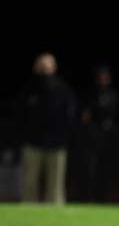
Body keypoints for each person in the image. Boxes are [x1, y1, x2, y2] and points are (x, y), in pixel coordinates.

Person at [17, 52, 76, 204]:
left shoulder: (63, 89)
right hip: (32, 143)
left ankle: (55, 218)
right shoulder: (28, 90)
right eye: (41, 66)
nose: (44, 70)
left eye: (47, 67)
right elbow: (20, 116)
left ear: (54, 68)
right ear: (35, 68)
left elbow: (70, 117)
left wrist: (65, 138)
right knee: (29, 184)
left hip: (57, 144)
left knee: (55, 188)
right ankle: (27, 215)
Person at [78, 65, 119, 203]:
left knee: (105, 169)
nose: (103, 80)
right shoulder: (91, 95)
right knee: (90, 168)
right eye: (101, 77)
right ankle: (87, 197)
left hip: (108, 137)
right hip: (92, 136)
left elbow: (116, 115)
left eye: (106, 77)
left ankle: (101, 198)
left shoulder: (113, 95)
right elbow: (86, 116)